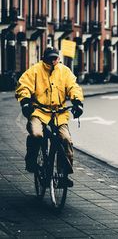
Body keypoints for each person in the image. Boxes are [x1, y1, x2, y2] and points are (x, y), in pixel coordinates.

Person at [15, 47, 84, 186]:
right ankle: (32, 161)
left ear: (58, 58)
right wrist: (26, 102)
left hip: (59, 113)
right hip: (39, 112)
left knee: (66, 140)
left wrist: (77, 102)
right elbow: (24, 86)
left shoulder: (64, 71)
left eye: (55, 58)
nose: (53, 61)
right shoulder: (35, 70)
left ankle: (63, 175)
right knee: (36, 134)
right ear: (44, 58)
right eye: (50, 58)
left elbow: (73, 87)